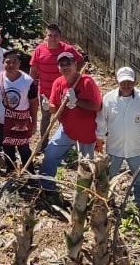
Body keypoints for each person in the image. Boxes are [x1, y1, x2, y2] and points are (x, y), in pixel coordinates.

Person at [96, 67, 140, 213]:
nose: (126, 85)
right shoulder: (109, 99)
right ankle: (108, 201)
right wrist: (99, 138)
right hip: (114, 146)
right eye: (123, 82)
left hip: (136, 147)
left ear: (134, 81)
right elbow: (102, 121)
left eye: (129, 82)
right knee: (109, 176)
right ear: (117, 81)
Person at [39, 52, 102, 191]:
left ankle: (85, 193)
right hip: (67, 130)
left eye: (69, 64)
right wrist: (47, 106)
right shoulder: (58, 83)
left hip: (86, 133)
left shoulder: (87, 82)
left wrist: (77, 102)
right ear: (58, 67)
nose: (65, 67)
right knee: (50, 153)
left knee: (86, 167)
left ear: (75, 65)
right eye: (62, 64)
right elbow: (56, 108)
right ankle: (46, 186)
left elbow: (97, 106)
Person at [29, 24, 83, 150]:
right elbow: (33, 70)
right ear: (45, 36)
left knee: (64, 118)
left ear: (60, 37)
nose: (52, 38)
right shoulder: (39, 50)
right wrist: (31, 86)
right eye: (50, 35)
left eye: (55, 36)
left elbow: (80, 62)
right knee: (45, 117)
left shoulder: (68, 50)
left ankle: (67, 145)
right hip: (45, 92)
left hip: (63, 92)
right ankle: (43, 144)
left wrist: (74, 77)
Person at [0, 50, 38, 173]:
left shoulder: (28, 81)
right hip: (2, 122)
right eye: (8, 62)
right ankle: (11, 170)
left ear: (19, 63)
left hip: (22, 123)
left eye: (14, 62)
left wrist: (34, 122)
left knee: (24, 149)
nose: (11, 65)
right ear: (3, 63)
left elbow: (33, 103)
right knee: (7, 149)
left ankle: (29, 172)